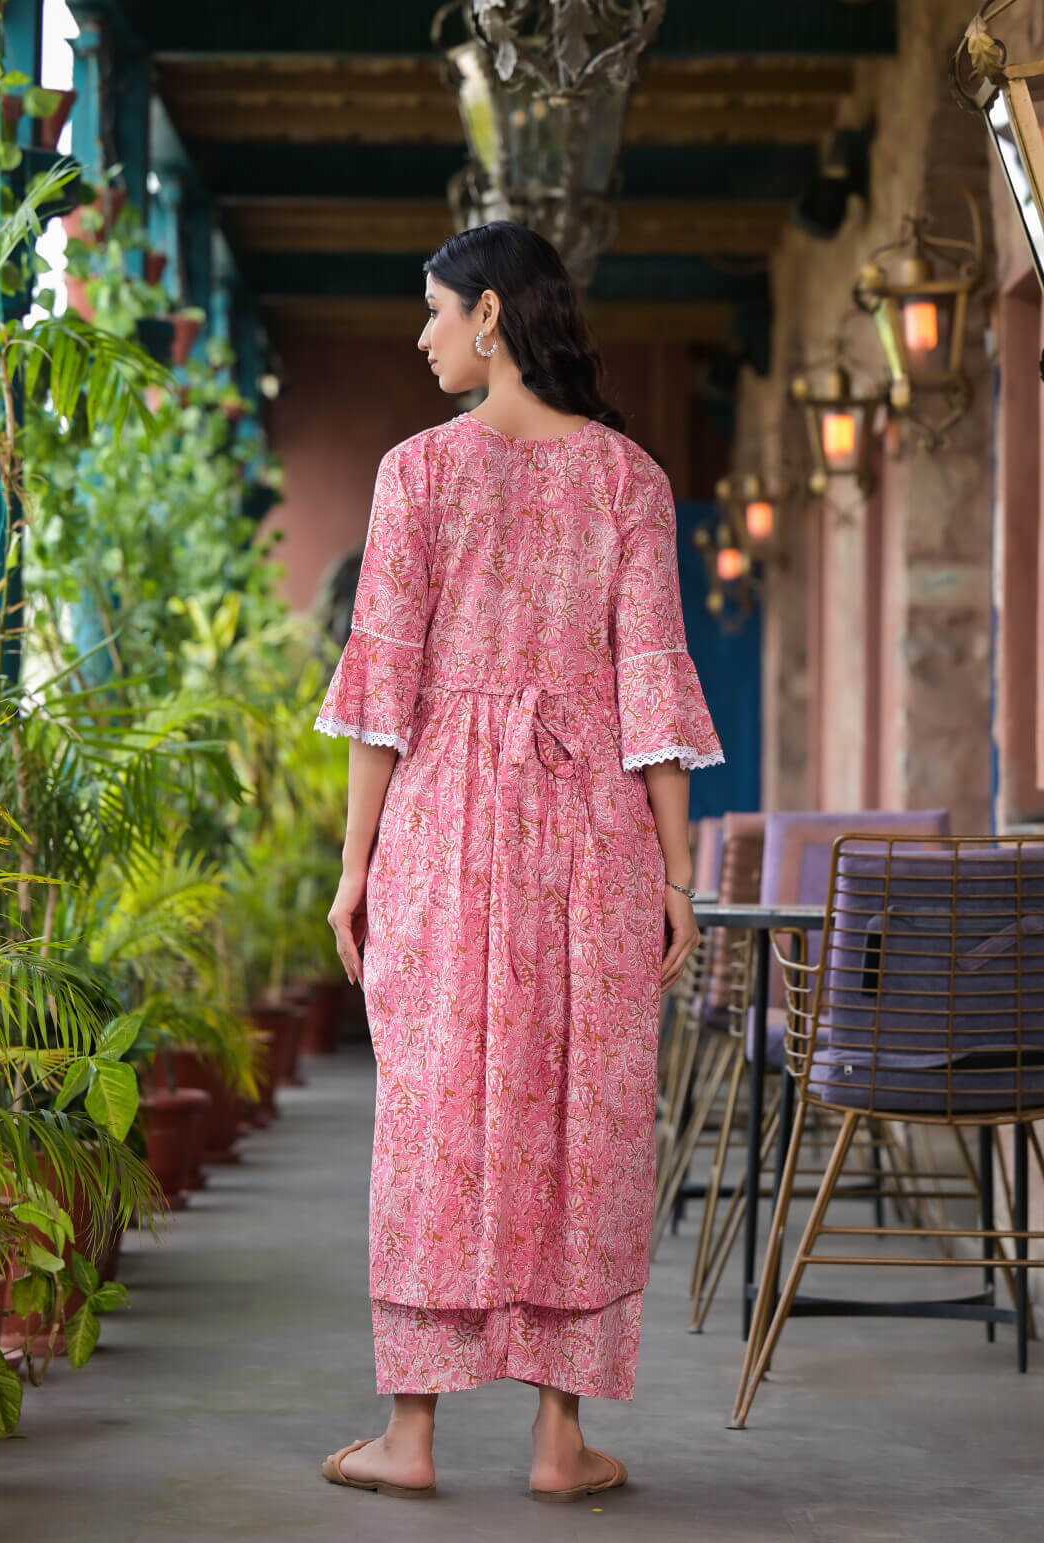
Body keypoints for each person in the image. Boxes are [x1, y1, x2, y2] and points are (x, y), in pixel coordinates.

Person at [315, 220, 723, 1503]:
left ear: (491, 316)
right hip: (593, 834)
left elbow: (382, 696)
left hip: (443, 826)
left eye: (436, 310)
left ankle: (411, 1434)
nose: (422, 335)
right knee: (583, 1114)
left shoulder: (417, 475)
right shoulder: (629, 480)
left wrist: (354, 867)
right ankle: (559, 1439)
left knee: (431, 1111)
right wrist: (675, 876)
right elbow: (653, 693)